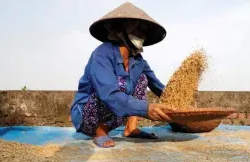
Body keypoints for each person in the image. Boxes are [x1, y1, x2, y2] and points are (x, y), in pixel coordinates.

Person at [70, 2, 175, 148]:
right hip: (87, 116)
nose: (142, 34)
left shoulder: (138, 61)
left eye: (144, 31)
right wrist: (146, 108)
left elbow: (156, 85)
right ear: (121, 30)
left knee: (142, 78)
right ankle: (99, 131)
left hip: (115, 115)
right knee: (119, 83)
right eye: (137, 28)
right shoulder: (102, 54)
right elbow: (107, 92)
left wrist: (177, 103)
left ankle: (130, 128)